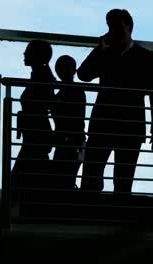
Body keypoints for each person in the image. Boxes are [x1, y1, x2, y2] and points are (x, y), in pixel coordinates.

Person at [77, 9, 153, 196]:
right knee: (95, 177)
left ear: (130, 28)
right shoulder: (119, 54)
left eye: (118, 28)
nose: (114, 32)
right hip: (123, 124)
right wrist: (100, 50)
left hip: (114, 124)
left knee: (120, 181)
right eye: (111, 28)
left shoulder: (145, 57)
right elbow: (83, 74)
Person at [12, 40, 56, 194]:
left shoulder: (41, 78)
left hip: (35, 135)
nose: (24, 54)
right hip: (35, 135)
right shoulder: (42, 77)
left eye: (28, 51)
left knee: (21, 180)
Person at [51, 55, 86, 189]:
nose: (63, 71)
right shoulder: (77, 91)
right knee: (66, 180)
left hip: (68, 142)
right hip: (73, 142)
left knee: (61, 181)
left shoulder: (61, 94)